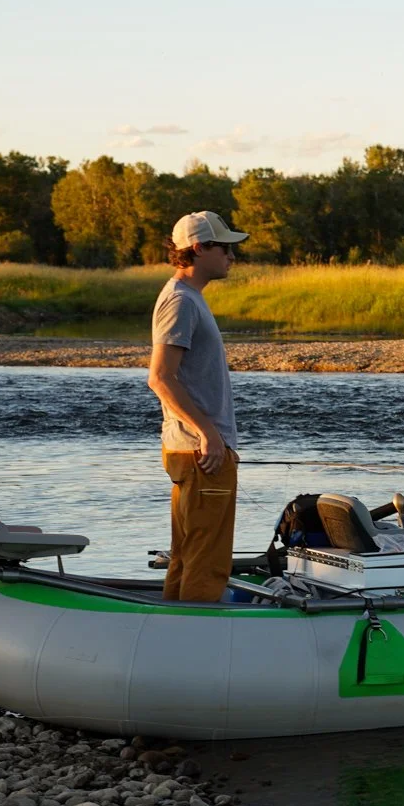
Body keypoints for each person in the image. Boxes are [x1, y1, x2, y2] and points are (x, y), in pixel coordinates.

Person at [147, 210, 247, 601]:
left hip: (193, 448)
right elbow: (160, 377)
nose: (231, 256)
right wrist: (209, 434)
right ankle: (197, 640)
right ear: (199, 248)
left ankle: (172, 630)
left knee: (189, 555)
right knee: (208, 560)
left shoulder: (189, 298)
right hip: (202, 452)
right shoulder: (180, 301)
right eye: (224, 247)